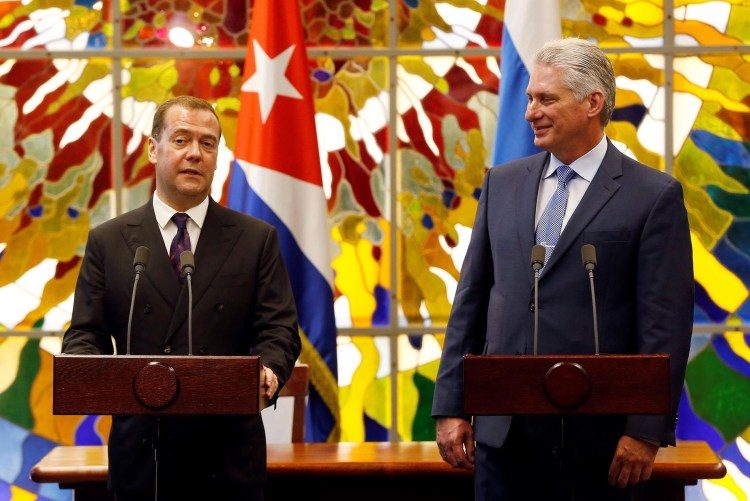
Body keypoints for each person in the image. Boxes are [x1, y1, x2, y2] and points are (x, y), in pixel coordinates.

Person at [432, 38, 693, 500]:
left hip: (601, 440)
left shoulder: (652, 196)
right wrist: (451, 406)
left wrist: (645, 432)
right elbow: (471, 299)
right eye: (530, 98)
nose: (531, 111)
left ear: (593, 102)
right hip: (503, 436)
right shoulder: (502, 183)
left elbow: (664, 325)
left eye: (546, 99)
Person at [62, 96, 301, 501]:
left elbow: (279, 329)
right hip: (141, 455)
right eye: (181, 140)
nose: (195, 153)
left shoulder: (255, 239)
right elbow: (86, 333)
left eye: (208, 144)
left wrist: (272, 368)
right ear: (153, 149)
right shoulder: (109, 241)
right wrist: (85, 370)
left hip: (228, 456)